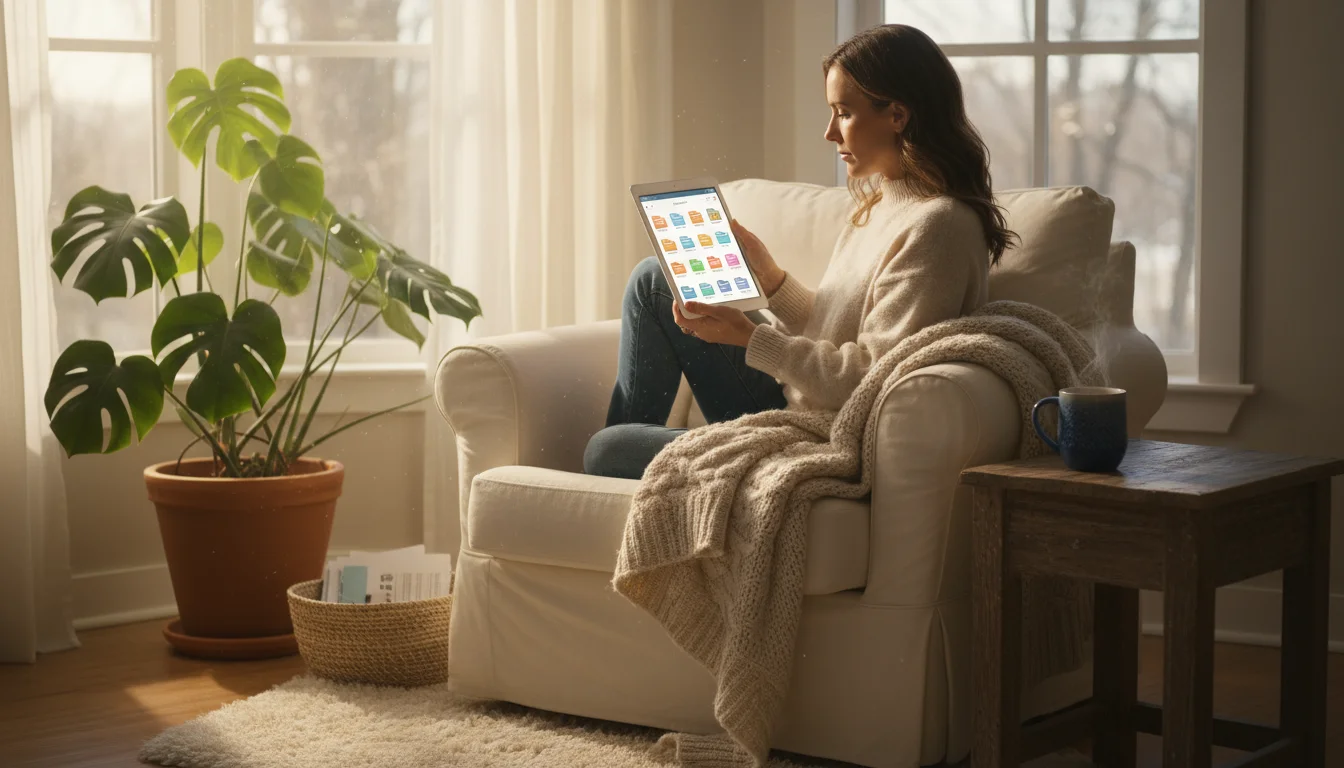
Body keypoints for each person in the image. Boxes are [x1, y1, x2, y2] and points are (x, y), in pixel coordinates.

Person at [584, 24, 1017, 480]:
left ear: (897, 116)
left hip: (817, 428)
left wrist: (749, 338)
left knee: (607, 449)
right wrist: (771, 280)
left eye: (843, 113)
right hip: (797, 395)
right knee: (654, 279)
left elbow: (870, 379)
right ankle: (640, 452)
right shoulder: (883, 203)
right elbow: (838, 328)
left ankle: (631, 458)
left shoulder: (938, 227)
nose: (830, 132)